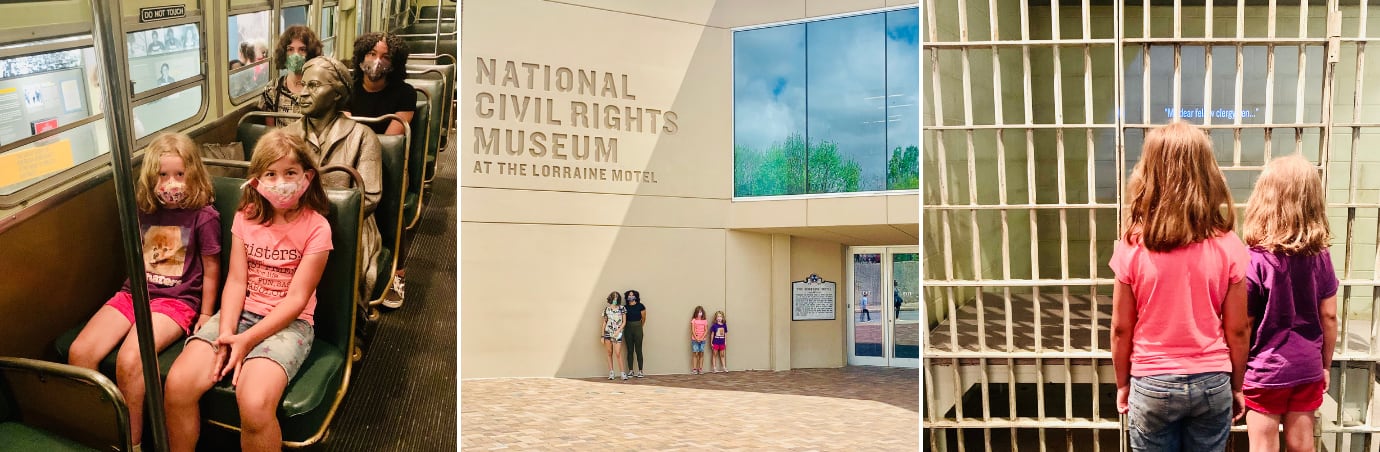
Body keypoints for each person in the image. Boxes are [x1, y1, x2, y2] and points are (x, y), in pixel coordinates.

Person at [163, 129, 332, 452]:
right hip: (240, 314)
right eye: (271, 174)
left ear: (307, 176)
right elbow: (237, 281)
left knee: (254, 404)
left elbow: (297, 299)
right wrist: (227, 334)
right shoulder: (246, 217)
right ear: (256, 180)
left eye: (290, 173)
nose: (281, 182)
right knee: (178, 386)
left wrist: (246, 341)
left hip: (289, 322)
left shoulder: (316, 228)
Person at [67, 132, 221, 451]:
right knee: (79, 353)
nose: (171, 183)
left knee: (129, 360)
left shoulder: (203, 217)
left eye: (180, 174)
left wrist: (206, 313)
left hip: (176, 302)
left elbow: (211, 267)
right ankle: (101, 434)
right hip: (135, 292)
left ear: (193, 174)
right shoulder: (145, 211)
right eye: (163, 175)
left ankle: (131, 444)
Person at [1109, 121, 1251, 451]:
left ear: (1149, 173)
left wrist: (1121, 383)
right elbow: (1239, 330)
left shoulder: (1132, 246)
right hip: (1212, 379)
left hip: (1151, 379)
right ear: (1207, 174)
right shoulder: (1228, 245)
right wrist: (1238, 385)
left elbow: (1120, 328)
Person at [1241, 154, 1339, 452]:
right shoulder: (1320, 257)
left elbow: (1244, 324)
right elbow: (1330, 316)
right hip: (1306, 366)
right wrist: (1324, 365)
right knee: (1302, 445)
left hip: (1264, 368)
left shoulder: (1255, 259)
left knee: (1263, 445)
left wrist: (1237, 371)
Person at [284, 56, 383, 302]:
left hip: (347, 224)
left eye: (314, 86)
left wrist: (313, 215)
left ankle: (349, 325)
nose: (303, 93)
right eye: (303, 85)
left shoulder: (363, 137)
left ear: (337, 94)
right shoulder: (286, 136)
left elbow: (369, 197)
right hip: (291, 220)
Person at [258, 26, 323, 126]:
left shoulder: (321, 88)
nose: (295, 55)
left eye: (302, 49)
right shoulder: (272, 90)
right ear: (283, 53)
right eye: (290, 49)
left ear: (310, 53)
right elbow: (271, 132)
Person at [600, 291, 627, 381]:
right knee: (609, 352)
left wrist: (618, 331)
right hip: (608, 333)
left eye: (617, 297)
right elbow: (604, 323)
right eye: (613, 297)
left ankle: (622, 373)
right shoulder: (606, 309)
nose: (615, 298)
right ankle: (611, 372)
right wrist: (602, 336)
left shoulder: (622, 308)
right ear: (611, 298)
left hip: (617, 334)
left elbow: (624, 322)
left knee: (618, 353)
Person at [622, 289, 647, 378]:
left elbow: (643, 318)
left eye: (632, 295)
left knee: (639, 350)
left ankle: (640, 371)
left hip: (638, 328)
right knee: (629, 350)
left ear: (636, 296)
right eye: (629, 295)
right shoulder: (624, 307)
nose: (630, 296)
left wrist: (639, 326)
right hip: (628, 328)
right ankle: (631, 371)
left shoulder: (640, 306)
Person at [689, 306, 707, 375]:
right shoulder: (693, 320)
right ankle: (694, 369)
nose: (700, 313)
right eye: (698, 312)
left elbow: (706, 330)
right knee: (695, 353)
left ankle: (700, 369)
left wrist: (702, 337)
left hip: (703, 340)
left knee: (701, 353)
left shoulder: (705, 321)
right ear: (696, 313)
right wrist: (697, 338)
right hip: (695, 340)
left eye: (701, 312)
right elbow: (693, 330)